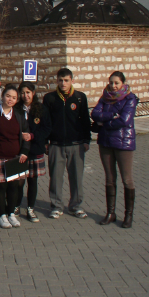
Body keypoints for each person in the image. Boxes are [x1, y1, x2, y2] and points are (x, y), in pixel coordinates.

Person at [91, 71, 138, 228]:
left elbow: (124, 120)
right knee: (110, 178)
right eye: (111, 82)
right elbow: (95, 114)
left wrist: (105, 123)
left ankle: (128, 215)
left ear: (123, 83)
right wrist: (112, 115)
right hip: (105, 142)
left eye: (116, 83)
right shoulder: (105, 97)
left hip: (124, 143)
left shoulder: (130, 98)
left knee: (127, 179)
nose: (113, 85)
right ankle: (110, 213)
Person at [43, 68, 91, 219]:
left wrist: (86, 140)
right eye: (60, 80)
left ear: (72, 81)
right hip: (56, 144)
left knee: (76, 177)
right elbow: (46, 122)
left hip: (76, 144)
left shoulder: (80, 97)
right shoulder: (49, 98)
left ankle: (75, 206)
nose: (63, 83)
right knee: (56, 178)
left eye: (66, 80)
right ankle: (56, 206)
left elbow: (85, 121)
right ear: (56, 81)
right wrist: (45, 141)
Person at [0, 84, 31, 229]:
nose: (10, 99)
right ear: (2, 96)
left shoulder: (19, 115)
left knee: (14, 187)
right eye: (8, 96)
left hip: (15, 158)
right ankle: (2, 216)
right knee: (0, 187)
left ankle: (11, 214)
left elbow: (26, 136)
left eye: (14, 98)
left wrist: (24, 152)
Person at [14, 82, 52, 223]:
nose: (26, 95)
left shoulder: (41, 109)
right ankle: (16, 205)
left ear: (33, 93)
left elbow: (47, 128)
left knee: (32, 181)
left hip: (35, 149)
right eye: (23, 93)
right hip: (19, 150)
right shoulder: (16, 109)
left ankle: (30, 208)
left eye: (28, 92)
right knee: (19, 181)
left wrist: (33, 136)